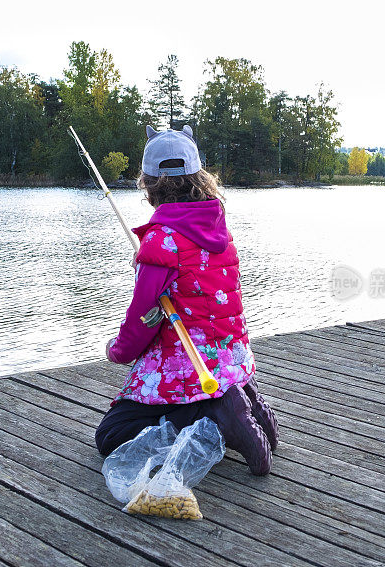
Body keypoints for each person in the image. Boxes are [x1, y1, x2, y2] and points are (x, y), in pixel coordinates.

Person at [94, 125, 278, 475]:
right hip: (229, 363)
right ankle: (244, 397)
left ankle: (215, 412)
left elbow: (143, 319)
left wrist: (118, 350)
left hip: (186, 368)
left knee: (111, 435)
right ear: (199, 177)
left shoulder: (161, 242)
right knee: (211, 394)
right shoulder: (221, 233)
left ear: (149, 183)